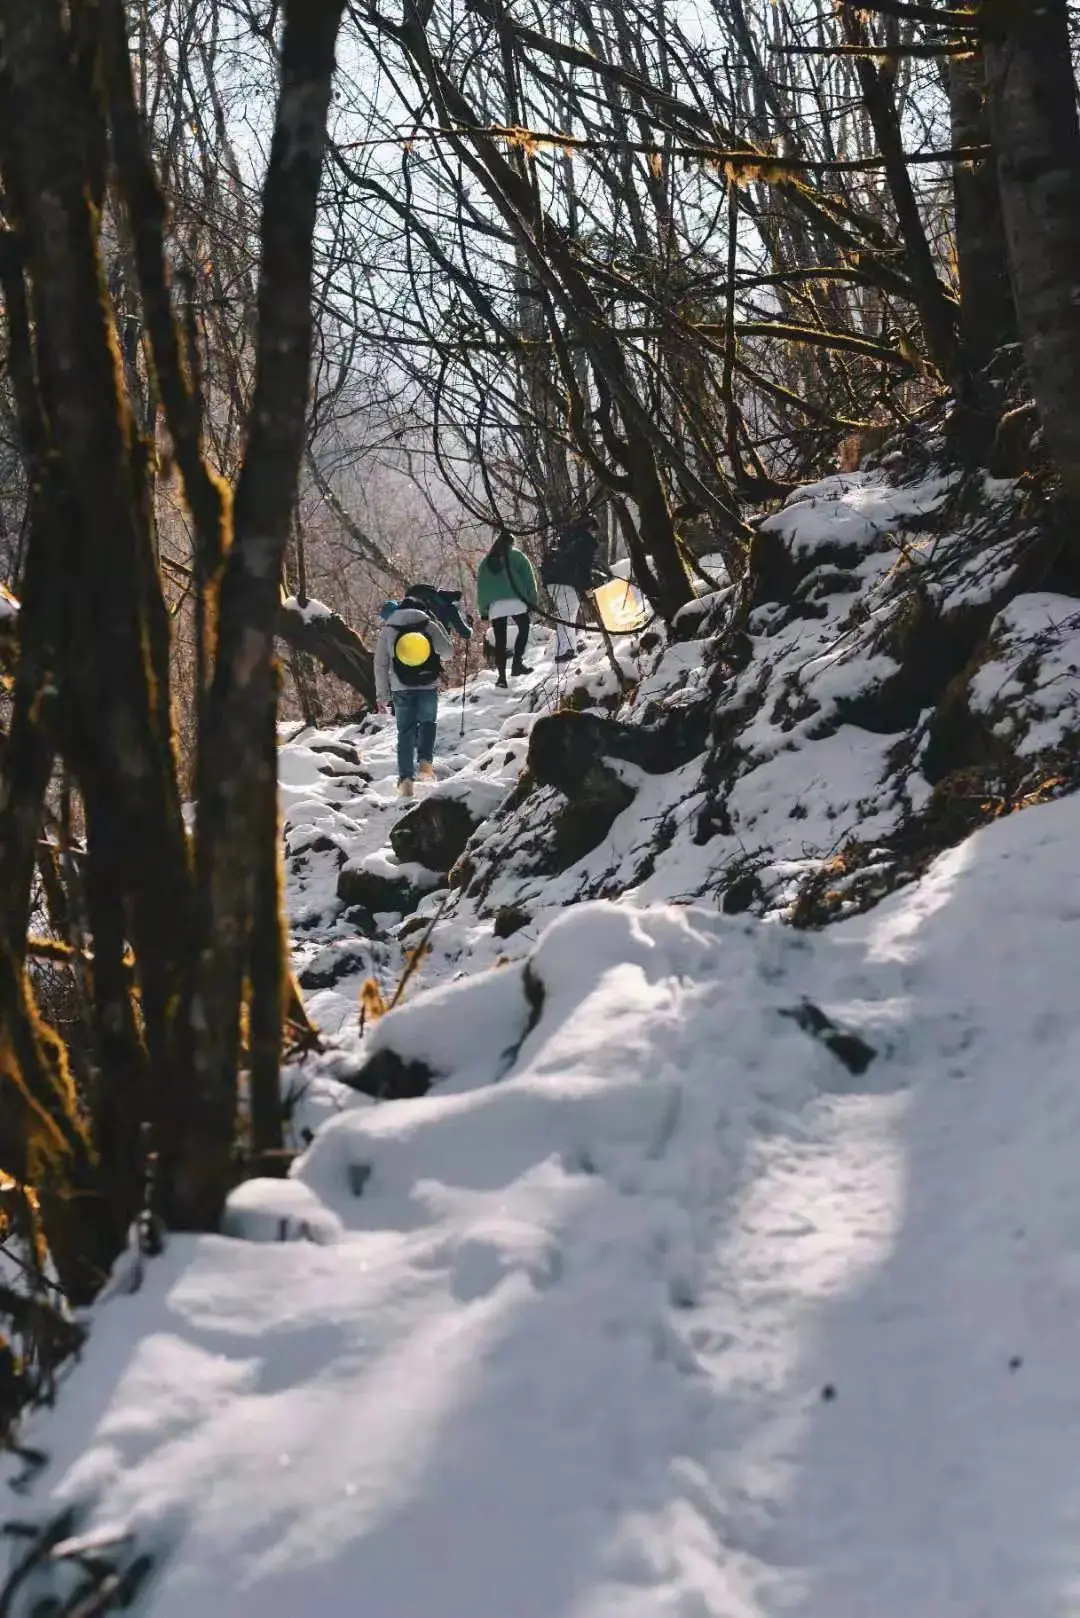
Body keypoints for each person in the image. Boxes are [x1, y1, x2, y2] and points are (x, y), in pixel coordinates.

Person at [374, 596, 453, 798]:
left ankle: (406, 779)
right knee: (428, 723)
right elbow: (448, 653)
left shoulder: (388, 630)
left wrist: (382, 695)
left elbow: (380, 665)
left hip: (401, 686)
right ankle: (425, 761)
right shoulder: (429, 624)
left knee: (405, 731)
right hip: (428, 684)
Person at [475, 530, 538, 688]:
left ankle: (502, 678)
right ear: (512, 543)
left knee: (500, 641)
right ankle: (517, 663)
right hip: (517, 600)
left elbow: (481, 587)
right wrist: (532, 601)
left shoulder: (486, 561)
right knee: (524, 628)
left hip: (497, 606)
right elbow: (529, 580)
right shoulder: (517, 556)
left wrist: (483, 610)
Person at [541, 514, 603, 662]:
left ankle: (569, 648)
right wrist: (587, 588)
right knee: (567, 615)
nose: (594, 534)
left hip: (552, 581)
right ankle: (564, 651)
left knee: (567, 614)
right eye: (593, 530)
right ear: (589, 528)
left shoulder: (567, 536)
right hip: (563, 581)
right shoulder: (584, 540)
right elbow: (583, 567)